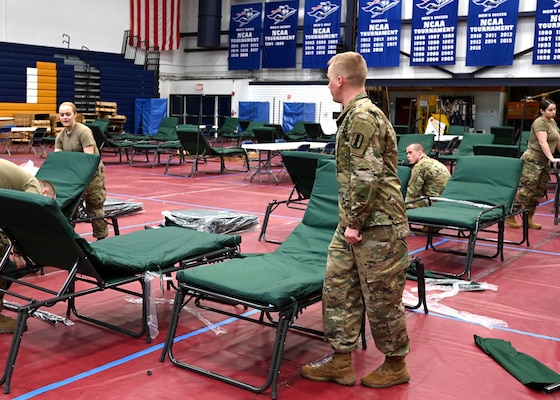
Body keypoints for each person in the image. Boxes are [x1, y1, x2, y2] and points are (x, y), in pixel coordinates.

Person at [300, 52, 411, 389]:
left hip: (377, 225)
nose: (327, 84)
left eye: (328, 78)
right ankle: (341, 360)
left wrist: (354, 222)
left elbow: (366, 177)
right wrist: (349, 221)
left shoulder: (363, 116)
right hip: (354, 220)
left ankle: (395, 363)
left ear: (339, 80)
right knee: (339, 288)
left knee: (381, 296)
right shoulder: (351, 116)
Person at [0, 158, 56, 333]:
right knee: (1, 252)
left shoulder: (18, 181)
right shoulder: (35, 188)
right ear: (45, 191)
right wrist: (18, 252)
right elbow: (23, 221)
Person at [55, 101, 108, 239]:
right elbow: (58, 160)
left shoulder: (83, 132)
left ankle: (101, 237)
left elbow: (89, 159)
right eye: (62, 115)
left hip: (92, 173)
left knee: (94, 205)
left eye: (68, 114)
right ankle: (69, 237)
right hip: (74, 174)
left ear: (75, 115)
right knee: (69, 206)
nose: (65, 117)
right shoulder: (60, 136)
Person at [506, 98, 560, 229]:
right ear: (542, 111)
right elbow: (543, 142)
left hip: (544, 161)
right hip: (533, 160)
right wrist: (552, 158)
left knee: (539, 191)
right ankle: (510, 214)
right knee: (528, 189)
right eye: (550, 110)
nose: (553, 112)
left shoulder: (552, 122)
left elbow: (558, 140)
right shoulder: (539, 122)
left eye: (554, 109)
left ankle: (528, 217)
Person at [405, 143, 450, 208]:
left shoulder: (420, 166)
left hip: (432, 202)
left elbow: (412, 192)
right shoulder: (435, 162)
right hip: (445, 201)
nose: (408, 156)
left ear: (420, 153)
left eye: (410, 153)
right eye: (407, 153)